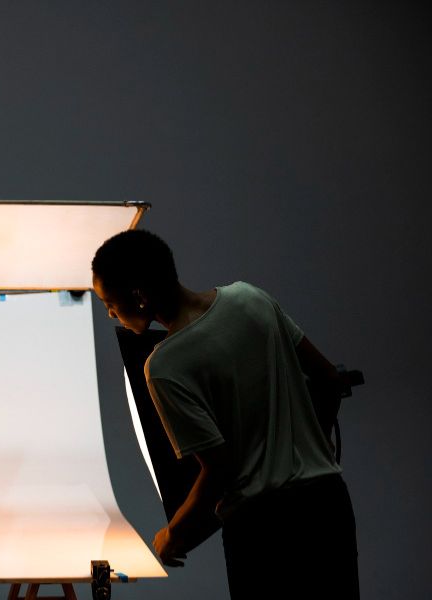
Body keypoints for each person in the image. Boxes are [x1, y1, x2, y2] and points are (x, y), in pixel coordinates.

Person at [91, 229, 359, 599]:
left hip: (262, 529)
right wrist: (318, 447)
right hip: (327, 505)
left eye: (109, 302)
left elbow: (219, 469)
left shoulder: (165, 365)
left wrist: (172, 536)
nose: (109, 313)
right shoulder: (251, 298)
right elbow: (329, 379)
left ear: (138, 296)